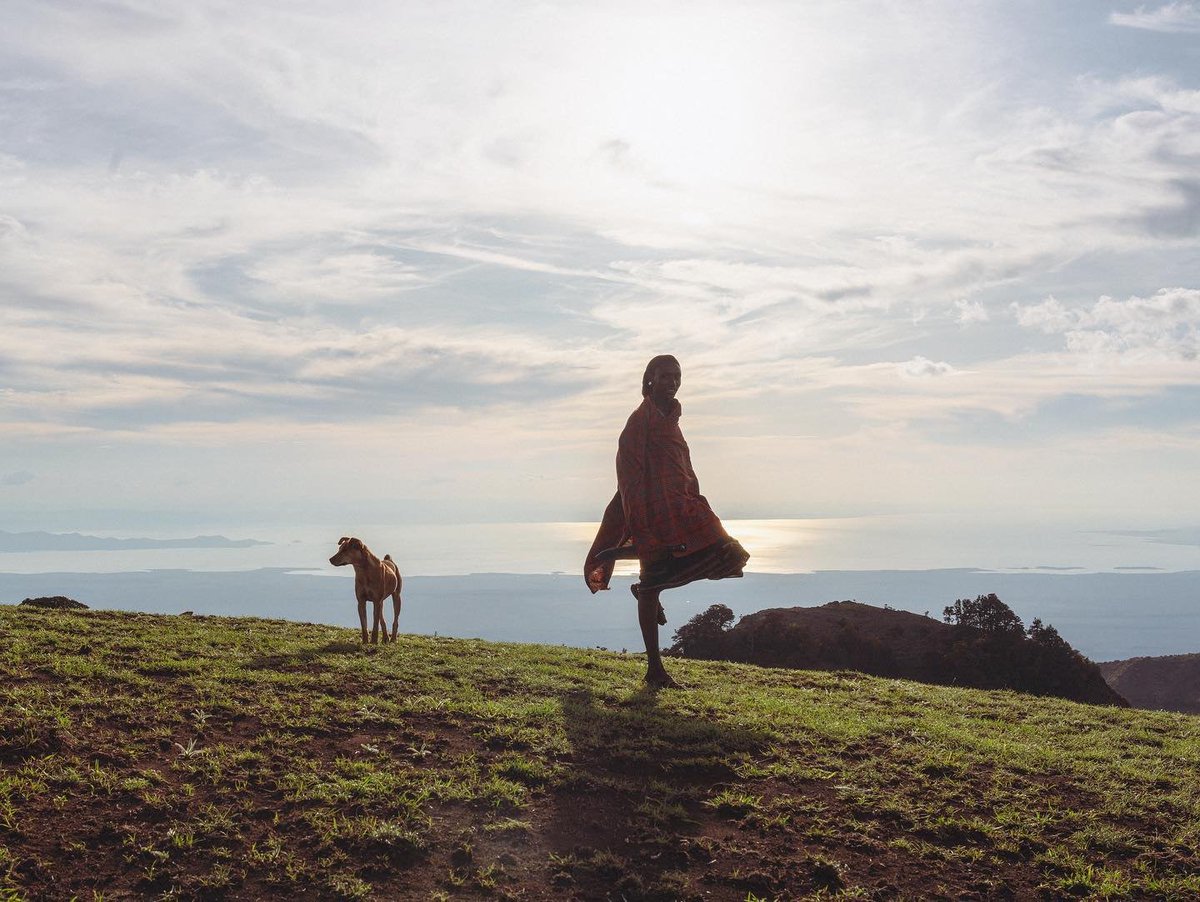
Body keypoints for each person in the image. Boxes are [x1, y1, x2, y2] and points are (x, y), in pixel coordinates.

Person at [585, 355, 750, 688]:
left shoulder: (672, 421)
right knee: (651, 583)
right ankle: (655, 670)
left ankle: (646, 590)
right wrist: (640, 527)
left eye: (676, 377)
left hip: (684, 510)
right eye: (664, 377)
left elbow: (684, 466)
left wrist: (696, 496)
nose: (672, 382)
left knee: (728, 555)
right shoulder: (638, 423)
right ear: (650, 380)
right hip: (651, 514)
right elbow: (628, 479)